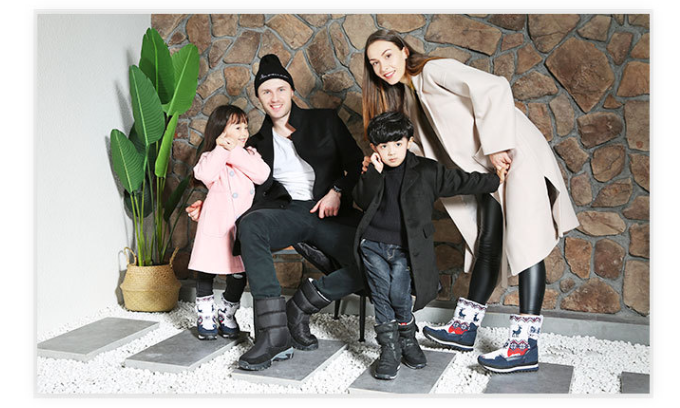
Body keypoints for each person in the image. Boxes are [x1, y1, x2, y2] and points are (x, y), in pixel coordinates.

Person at [362, 29, 579, 374]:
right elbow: (419, 146)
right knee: (488, 241)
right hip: (489, 170)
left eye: (387, 55)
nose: (382, 66)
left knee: (527, 243)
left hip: (511, 153)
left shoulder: (433, 71)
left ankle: (525, 346)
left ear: (403, 51)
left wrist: (496, 146)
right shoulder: (409, 95)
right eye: (374, 63)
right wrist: (380, 160)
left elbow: (494, 87)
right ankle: (465, 328)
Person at [186, 54, 364, 371]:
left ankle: (299, 307)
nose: (274, 97)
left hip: (329, 211)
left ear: (291, 90)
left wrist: (337, 191)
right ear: (259, 98)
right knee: (251, 226)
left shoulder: (325, 120)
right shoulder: (254, 144)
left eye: (281, 89)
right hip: (287, 212)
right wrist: (209, 203)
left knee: (374, 256)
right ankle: (273, 335)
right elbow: (238, 186)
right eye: (266, 92)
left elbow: (356, 164)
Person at [354, 111, 505, 380]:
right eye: (384, 146)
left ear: (409, 141)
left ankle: (407, 339)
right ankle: (389, 350)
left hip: (405, 249)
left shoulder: (426, 170)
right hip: (372, 245)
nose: (391, 152)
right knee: (381, 296)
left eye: (397, 144)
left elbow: (461, 181)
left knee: (399, 294)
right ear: (375, 148)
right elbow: (362, 201)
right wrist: (372, 174)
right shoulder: (374, 170)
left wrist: (495, 180)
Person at [188, 105, 270, 340]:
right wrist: (222, 148)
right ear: (221, 130)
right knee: (206, 272)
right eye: (237, 127)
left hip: (240, 228)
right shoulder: (211, 157)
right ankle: (205, 315)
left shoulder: (250, 155)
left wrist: (234, 150)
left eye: (245, 127)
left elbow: (262, 175)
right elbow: (205, 174)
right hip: (215, 226)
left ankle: (227, 313)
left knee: (238, 273)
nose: (244, 132)